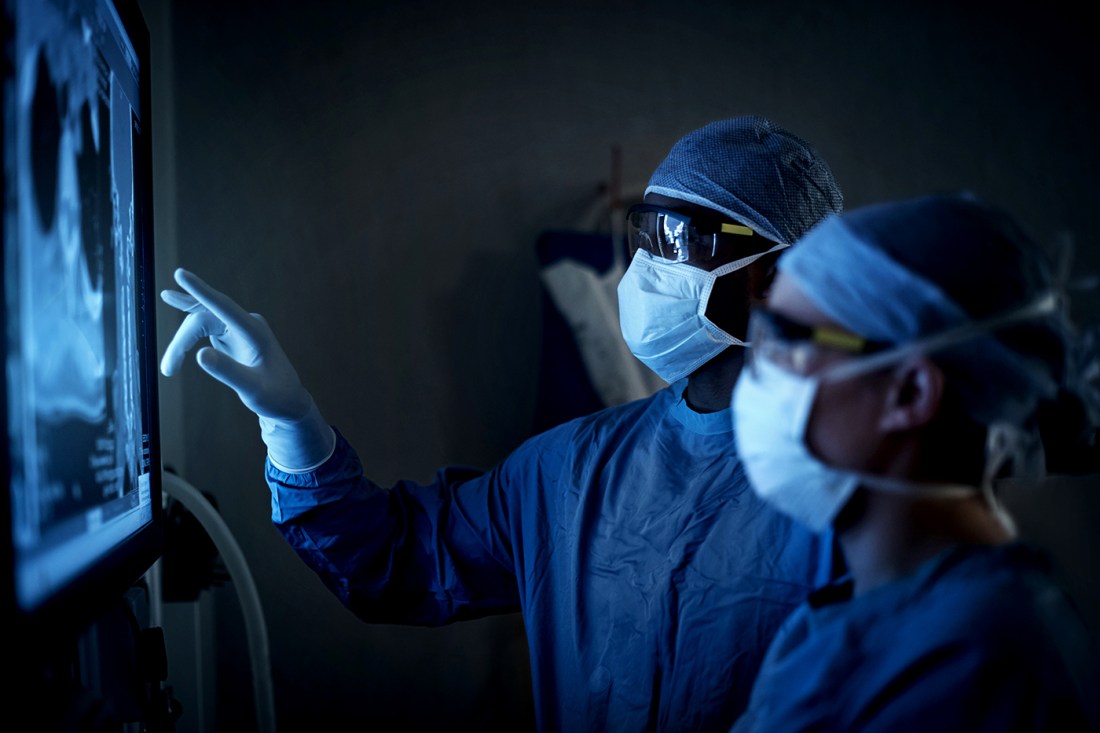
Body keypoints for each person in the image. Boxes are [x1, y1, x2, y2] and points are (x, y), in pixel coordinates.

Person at [159, 116, 846, 732]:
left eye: (679, 240)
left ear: (776, 277)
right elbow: (395, 561)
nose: (648, 270)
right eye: (645, 234)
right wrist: (293, 426)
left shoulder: (859, 493)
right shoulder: (574, 469)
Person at [728, 192, 1100, 732]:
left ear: (910, 392)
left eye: (788, 345)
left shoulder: (978, 665)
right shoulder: (862, 611)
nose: (760, 376)